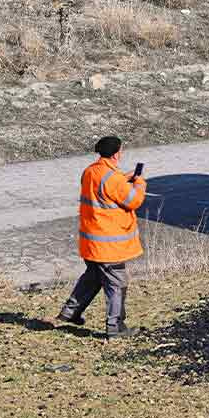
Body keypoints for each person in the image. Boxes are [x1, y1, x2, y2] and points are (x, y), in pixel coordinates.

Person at [55, 136, 147, 338]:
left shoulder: (90, 171)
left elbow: (104, 188)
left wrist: (123, 178)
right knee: (117, 284)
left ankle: (69, 313)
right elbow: (134, 200)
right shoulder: (113, 178)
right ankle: (116, 328)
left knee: (93, 277)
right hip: (109, 246)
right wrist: (139, 182)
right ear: (116, 153)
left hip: (91, 242)